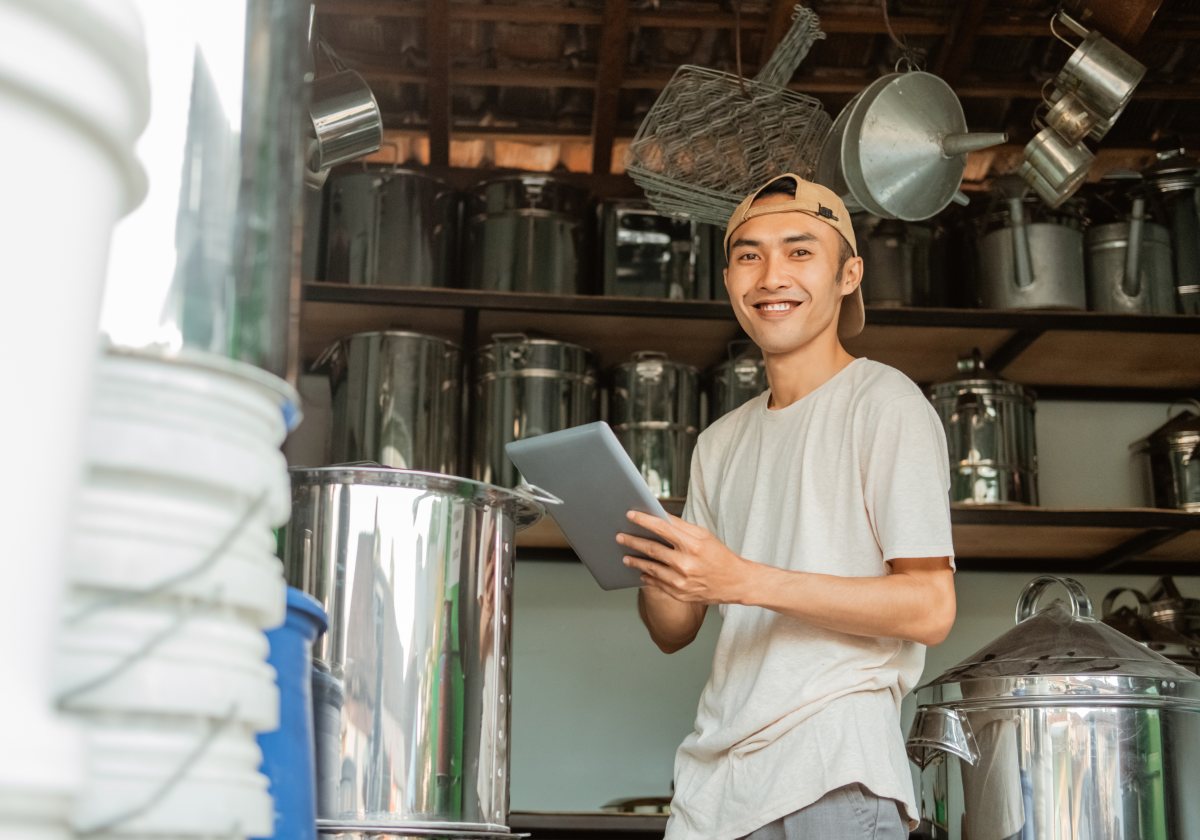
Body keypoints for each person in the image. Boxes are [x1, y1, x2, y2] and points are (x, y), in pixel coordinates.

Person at [617, 175, 956, 840]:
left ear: (848, 274)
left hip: (829, 775)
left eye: (800, 252)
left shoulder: (886, 405)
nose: (771, 276)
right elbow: (673, 630)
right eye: (749, 255)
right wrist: (651, 560)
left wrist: (743, 579)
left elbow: (930, 607)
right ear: (728, 279)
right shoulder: (719, 442)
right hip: (711, 793)